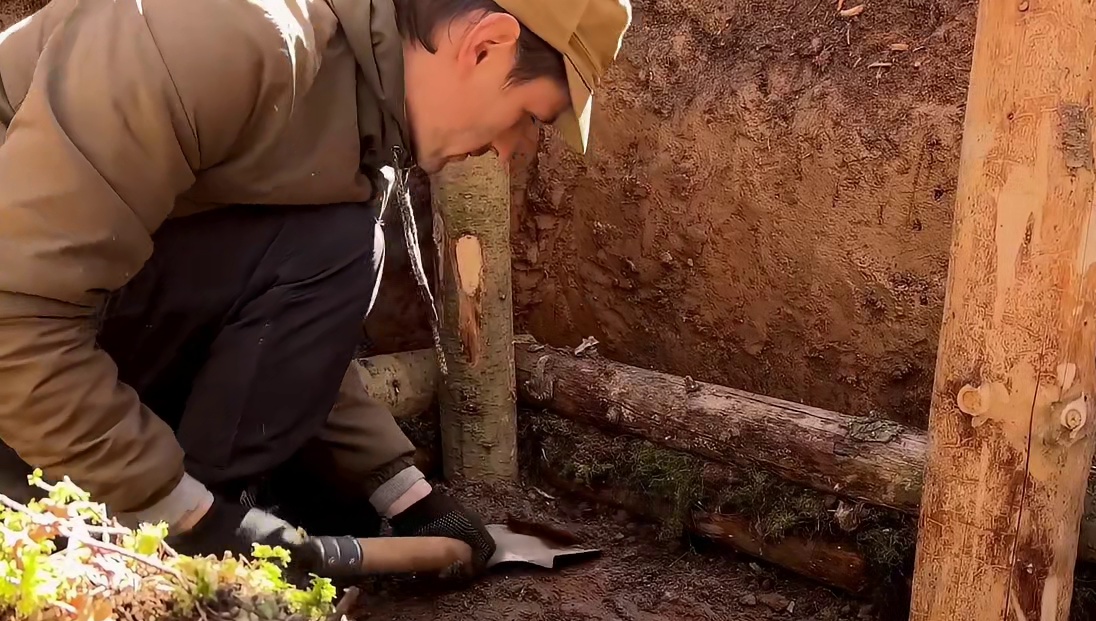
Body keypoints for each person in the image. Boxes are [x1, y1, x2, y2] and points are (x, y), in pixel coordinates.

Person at [0, 0, 631, 574]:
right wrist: (182, 512)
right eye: (526, 118)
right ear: (485, 45)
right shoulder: (225, 34)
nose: (508, 154)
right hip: (21, 372)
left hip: (64, 357)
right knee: (341, 243)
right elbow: (14, 315)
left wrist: (404, 494)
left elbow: (285, 322)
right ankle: (162, 546)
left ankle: (201, 532)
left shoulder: (352, 108)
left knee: (339, 243)